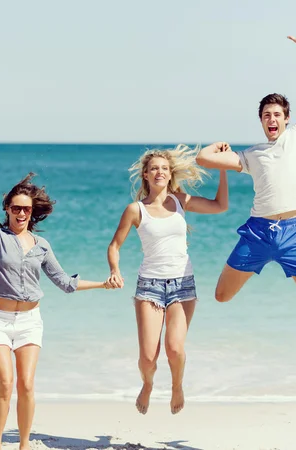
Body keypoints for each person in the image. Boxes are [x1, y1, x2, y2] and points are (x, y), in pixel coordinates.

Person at [0, 155, 114, 450]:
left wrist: (103, 283)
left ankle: (24, 444)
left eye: (26, 209)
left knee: (26, 385)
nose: (21, 214)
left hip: (29, 322)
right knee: (5, 385)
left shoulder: (42, 246)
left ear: (32, 212)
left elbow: (65, 282)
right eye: (15, 208)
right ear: (8, 210)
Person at [195, 33, 296, 317]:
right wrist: (217, 146)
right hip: (258, 232)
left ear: (287, 118)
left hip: (295, 232)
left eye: (277, 114)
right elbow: (203, 159)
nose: (272, 119)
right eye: (267, 115)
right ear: (261, 121)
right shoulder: (251, 155)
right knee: (221, 296)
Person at [106, 144, 229, 415]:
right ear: (146, 176)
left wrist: (222, 169)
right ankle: (148, 384)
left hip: (182, 285)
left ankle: (177, 386)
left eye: (164, 168)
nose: (159, 172)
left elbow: (221, 206)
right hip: (149, 285)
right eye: (154, 169)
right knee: (148, 357)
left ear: (169, 173)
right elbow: (114, 245)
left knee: (175, 349)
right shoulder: (135, 210)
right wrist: (115, 269)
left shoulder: (180, 201)